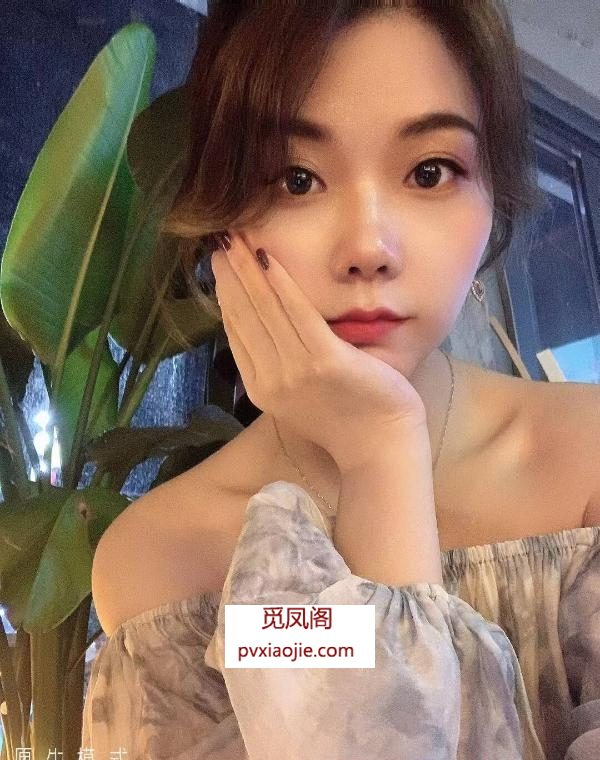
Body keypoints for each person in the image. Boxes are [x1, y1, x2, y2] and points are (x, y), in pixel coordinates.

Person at [82, 2, 600, 759]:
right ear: (223, 223)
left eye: (429, 172)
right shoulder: (162, 561)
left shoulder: (587, 458)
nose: (368, 247)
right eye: (296, 179)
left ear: (493, 199)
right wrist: (379, 456)